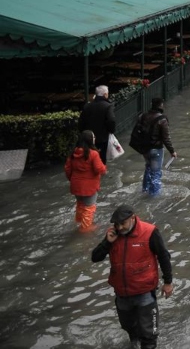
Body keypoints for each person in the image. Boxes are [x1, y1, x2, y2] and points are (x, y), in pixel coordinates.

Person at [91, 205, 173, 349]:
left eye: (123, 223)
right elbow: (95, 258)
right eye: (117, 224)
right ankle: (134, 342)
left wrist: (168, 282)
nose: (120, 227)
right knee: (129, 327)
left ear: (133, 218)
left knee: (149, 334)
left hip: (144, 292)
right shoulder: (113, 236)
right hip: (122, 293)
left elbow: (164, 257)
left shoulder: (150, 232)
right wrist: (106, 243)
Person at [65, 130, 107, 232]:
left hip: (76, 186)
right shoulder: (93, 154)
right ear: (90, 140)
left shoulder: (74, 152)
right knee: (89, 208)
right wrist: (104, 168)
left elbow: (67, 169)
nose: (95, 139)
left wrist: (73, 179)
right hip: (89, 187)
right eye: (93, 138)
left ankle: (79, 222)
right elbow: (99, 169)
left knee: (80, 204)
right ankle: (85, 229)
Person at [139, 97, 177, 197]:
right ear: (161, 105)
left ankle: (144, 189)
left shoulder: (143, 116)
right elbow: (166, 138)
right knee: (155, 174)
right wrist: (172, 151)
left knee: (148, 168)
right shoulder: (162, 119)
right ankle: (153, 197)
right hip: (156, 150)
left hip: (145, 149)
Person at [78, 85, 116, 165]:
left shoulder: (87, 106)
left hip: (88, 138)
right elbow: (111, 120)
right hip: (102, 138)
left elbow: (81, 122)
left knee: (88, 158)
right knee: (101, 159)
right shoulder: (108, 106)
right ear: (105, 94)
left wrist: (83, 132)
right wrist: (111, 131)